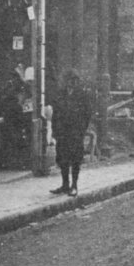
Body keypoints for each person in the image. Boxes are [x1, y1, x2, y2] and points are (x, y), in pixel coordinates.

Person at [50, 69, 94, 197]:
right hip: (62, 131)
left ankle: (74, 185)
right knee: (62, 158)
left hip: (75, 132)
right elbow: (55, 113)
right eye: (69, 80)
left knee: (75, 158)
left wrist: (81, 129)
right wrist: (54, 129)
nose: (71, 83)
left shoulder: (82, 95)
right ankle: (65, 184)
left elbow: (87, 114)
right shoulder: (61, 94)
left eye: (74, 80)